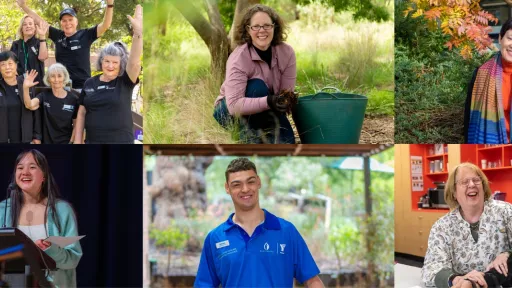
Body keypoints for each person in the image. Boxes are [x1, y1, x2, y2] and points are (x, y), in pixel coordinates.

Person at [194, 158, 324, 288]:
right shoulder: (215, 238)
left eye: (250, 182)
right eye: (236, 184)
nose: (245, 189)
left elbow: (313, 281)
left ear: (258, 182)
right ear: (227, 188)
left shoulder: (286, 231)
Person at [213, 4, 296, 144]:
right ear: (248, 30)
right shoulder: (238, 58)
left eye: (266, 25)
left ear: (274, 27)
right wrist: (269, 101)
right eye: (256, 26)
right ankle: (249, 136)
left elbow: (286, 92)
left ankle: (261, 135)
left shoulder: (287, 53)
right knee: (257, 86)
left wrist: (286, 100)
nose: (262, 30)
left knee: (288, 143)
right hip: (229, 111)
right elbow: (233, 106)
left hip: (267, 107)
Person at [422, 162, 512, 288]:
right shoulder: (442, 227)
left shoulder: (506, 212)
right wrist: (457, 280)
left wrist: (508, 254)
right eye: (464, 182)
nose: (471, 184)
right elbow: (430, 270)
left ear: (483, 185)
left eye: (476, 180)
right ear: (454, 192)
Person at [0, 149, 82, 287]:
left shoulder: (62, 210)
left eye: (32, 167)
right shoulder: (3, 209)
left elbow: (73, 259)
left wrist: (51, 248)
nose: (25, 172)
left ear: (44, 175)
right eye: (20, 168)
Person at [73, 5, 142, 144]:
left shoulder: (125, 81)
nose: (110, 66)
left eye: (115, 62)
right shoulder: (90, 83)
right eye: (107, 61)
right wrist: (78, 142)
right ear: (101, 61)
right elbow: (81, 113)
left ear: (121, 64)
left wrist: (138, 33)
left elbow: (134, 63)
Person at [16, 0, 114, 89]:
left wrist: (109, 5)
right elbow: (39, 21)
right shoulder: (58, 35)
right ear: (61, 23)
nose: (67, 23)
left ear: (76, 21)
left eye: (70, 20)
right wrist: (23, 6)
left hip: (82, 87)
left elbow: (105, 25)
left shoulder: (86, 35)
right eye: (64, 21)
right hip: (62, 86)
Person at [464, 18, 512, 143]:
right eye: (510, 38)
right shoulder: (481, 74)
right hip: (491, 144)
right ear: (500, 38)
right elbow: (468, 119)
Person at [22, 65, 79, 144]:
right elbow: (29, 105)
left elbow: (77, 126)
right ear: (48, 79)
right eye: (52, 76)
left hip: (66, 142)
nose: (56, 80)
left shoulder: (73, 99)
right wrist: (25, 88)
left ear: (64, 77)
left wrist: (71, 142)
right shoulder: (44, 96)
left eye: (59, 76)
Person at [0, 51, 39, 144]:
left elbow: (36, 112)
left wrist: (37, 136)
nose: (7, 67)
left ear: (16, 65)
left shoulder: (26, 83)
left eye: (10, 63)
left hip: (24, 138)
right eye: (3, 64)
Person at [10, 15, 48, 86]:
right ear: (21, 29)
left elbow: (42, 58)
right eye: (25, 24)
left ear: (35, 28)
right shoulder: (16, 44)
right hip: (20, 83)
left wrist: (42, 36)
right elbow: (11, 63)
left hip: (37, 84)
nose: (28, 26)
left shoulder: (40, 42)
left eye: (30, 24)